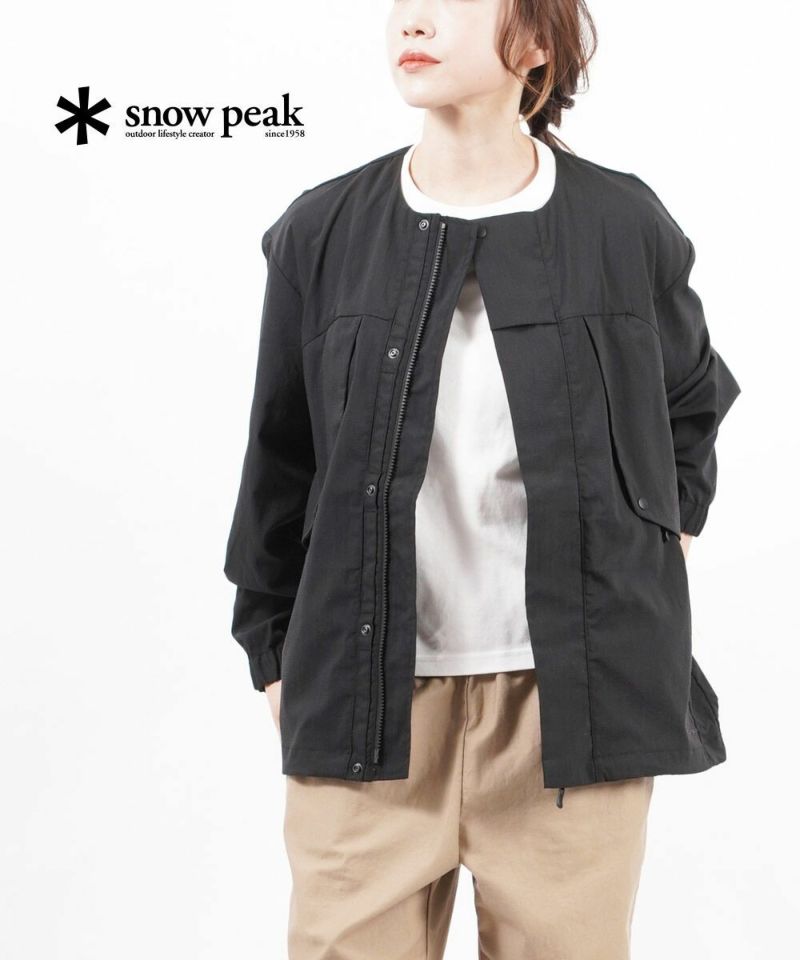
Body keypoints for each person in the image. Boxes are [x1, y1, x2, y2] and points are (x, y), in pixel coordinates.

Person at [223, 1, 742, 957]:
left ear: (536, 43)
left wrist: (663, 534)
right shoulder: (323, 230)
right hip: (363, 705)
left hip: (573, 708)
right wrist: (272, 651)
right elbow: (280, 455)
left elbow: (692, 398)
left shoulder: (622, 224)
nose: (414, 22)